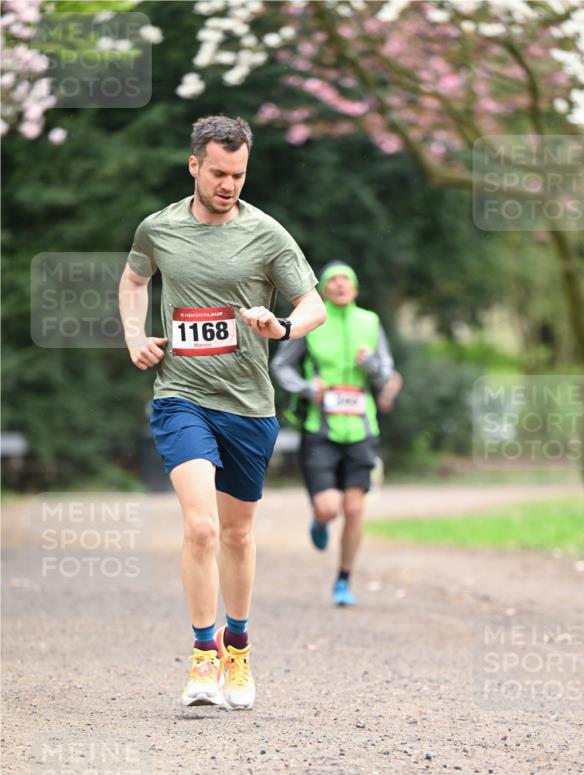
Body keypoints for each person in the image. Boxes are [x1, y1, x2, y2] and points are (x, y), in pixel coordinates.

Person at [118, 115, 325, 710]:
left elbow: (312, 305)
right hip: (181, 396)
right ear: (194, 166)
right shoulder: (159, 228)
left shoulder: (266, 234)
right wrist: (136, 335)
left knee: (236, 532)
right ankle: (203, 655)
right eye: (217, 173)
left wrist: (281, 325)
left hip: (249, 406)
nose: (228, 184)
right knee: (202, 526)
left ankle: (238, 651)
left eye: (237, 174)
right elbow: (133, 281)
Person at [271, 261, 401, 607]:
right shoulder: (312, 322)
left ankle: (343, 580)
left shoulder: (369, 322)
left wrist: (371, 364)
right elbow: (281, 365)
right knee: (331, 509)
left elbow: (387, 371)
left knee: (355, 509)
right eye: (333, 281)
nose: (341, 285)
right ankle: (319, 519)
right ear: (324, 290)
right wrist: (305, 387)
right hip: (320, 429)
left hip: (361, 429)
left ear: (355, 289)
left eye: (347, 280)